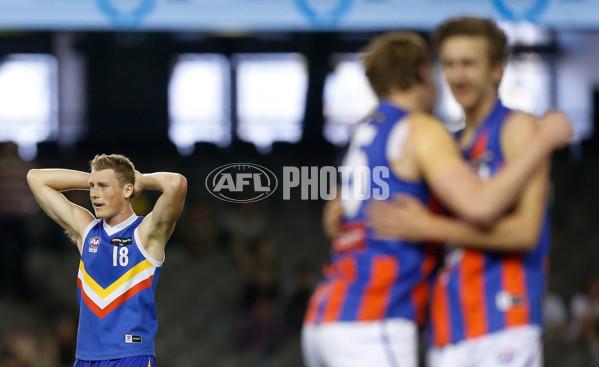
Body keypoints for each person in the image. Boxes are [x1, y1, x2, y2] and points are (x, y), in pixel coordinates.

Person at [302, 31, 572, 367]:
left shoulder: (366, 135)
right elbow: (480, 205)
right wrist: (543, 140)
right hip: (373, 319)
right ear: (425, 74)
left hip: (327, 315)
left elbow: (334, 218)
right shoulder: (420, 129)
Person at [367, 17, 560, 367]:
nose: (457, 76)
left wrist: (428, 227)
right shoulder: (447, 145)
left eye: (469, 63)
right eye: (449, 64)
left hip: (503, 321)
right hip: (448, 328)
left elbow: (525, 233)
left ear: (497, 70)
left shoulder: (518, 128)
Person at [27, 154, 187, 367]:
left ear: (128, 190)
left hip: (130, 356)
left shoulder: (146, 233)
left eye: (103, 187)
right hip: (85, 358)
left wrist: (140, 180)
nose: (94, 194)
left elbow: (177, 183)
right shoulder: (87, 230)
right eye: (92, 187)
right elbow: (35, 178)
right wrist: (96, 179)